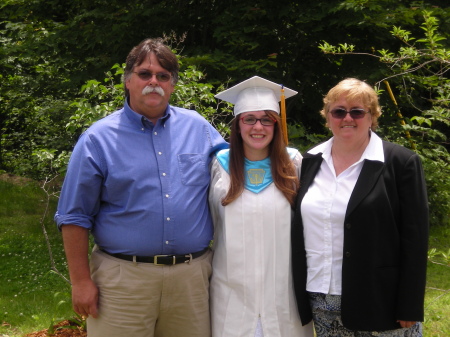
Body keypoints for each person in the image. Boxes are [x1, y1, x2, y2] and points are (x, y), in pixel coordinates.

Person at [54, 38, 228, 337]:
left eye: (163, 76)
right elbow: (73, 216)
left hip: (191, 281)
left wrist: (283, 159)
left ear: (173, 85)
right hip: (123, 283)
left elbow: (238, 171)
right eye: (145, 74)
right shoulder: (98, 139)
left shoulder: (198, 128)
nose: (154, 82)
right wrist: (80, 282)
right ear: (128, 80)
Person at [291, 78, 429, 336]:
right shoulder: (310, 161)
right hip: (321, 298)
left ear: (372, 116)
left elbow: (415, 239)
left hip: (381, 299)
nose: (347, 118)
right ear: (328, 116)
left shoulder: (401, 162)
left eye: (357, 111)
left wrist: (410, 304)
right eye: (339, 111)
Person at [210, 76, 314, 337]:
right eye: (249, 119)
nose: (258, 127)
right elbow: (211, 223)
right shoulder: (219, 165)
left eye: (266, 119)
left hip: (283, 294)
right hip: (230, 295)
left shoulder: (294, 165)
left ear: (276, 124)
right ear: (238, 124)